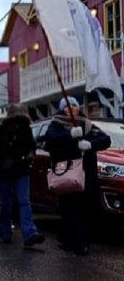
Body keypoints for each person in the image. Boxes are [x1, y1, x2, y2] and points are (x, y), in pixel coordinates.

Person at [44, 96, 110, 256]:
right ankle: (68, 239)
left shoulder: (87, 125)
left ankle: (82, 244)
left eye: (74, 105)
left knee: (83, 210)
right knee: (67, 208)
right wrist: (70, 136)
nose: (71, 108)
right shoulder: (56, 125)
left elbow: (105, 140)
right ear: (62, 109)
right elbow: (50, 141)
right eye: (67, 106)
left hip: (86, 176)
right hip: (66, 173)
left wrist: (90, 144)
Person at [0, 103, 45, 247]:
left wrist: (29, 156)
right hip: (2, 173)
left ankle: (29, 233)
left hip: (21, 170)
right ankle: (5, 232)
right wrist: (1, 162)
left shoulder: (25, 131)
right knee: (6, 203)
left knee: (24, 201)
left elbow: (31, 147)